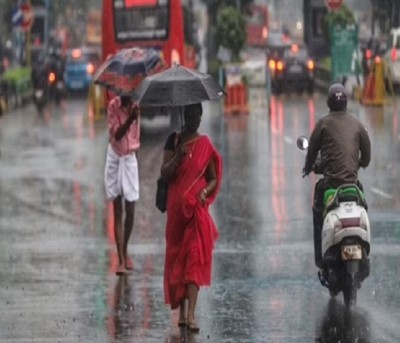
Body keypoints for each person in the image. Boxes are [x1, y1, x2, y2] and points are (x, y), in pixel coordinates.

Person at [161, 103, 222, 332]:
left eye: (197, 114)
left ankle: (193, 314)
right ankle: (183, 314)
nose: (193, 118)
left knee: (193, 260)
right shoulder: (173, 141)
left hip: (196, 212)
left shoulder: (205, 144)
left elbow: (213, 178)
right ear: (183, 116)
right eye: (189, 114)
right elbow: (164, 171)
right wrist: (178, 157)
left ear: (200, 117)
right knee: (178, 260)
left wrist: (205, 192)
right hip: (176, 213)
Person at [302, 83, 371, 269]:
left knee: (318, 211)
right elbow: (367, 154)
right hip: (352, 184)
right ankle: (365, 244)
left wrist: (307, 168)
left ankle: (319, 257)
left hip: (330, 184)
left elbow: (312, 152)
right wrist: (360, 164)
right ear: (346, 102)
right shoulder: (357, 123)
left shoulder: (323, 123)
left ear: (328, 103)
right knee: (363, 203)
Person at [104, 95, 140, 275]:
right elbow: (117, 134)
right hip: (114, 157)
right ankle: (120, 260)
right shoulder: (112, 106)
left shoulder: (136, 106)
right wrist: (131, 119)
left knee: (131, 209)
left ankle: (125, 250)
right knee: (117, 209)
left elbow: (135, 137)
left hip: (130, 158)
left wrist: (136, 115)